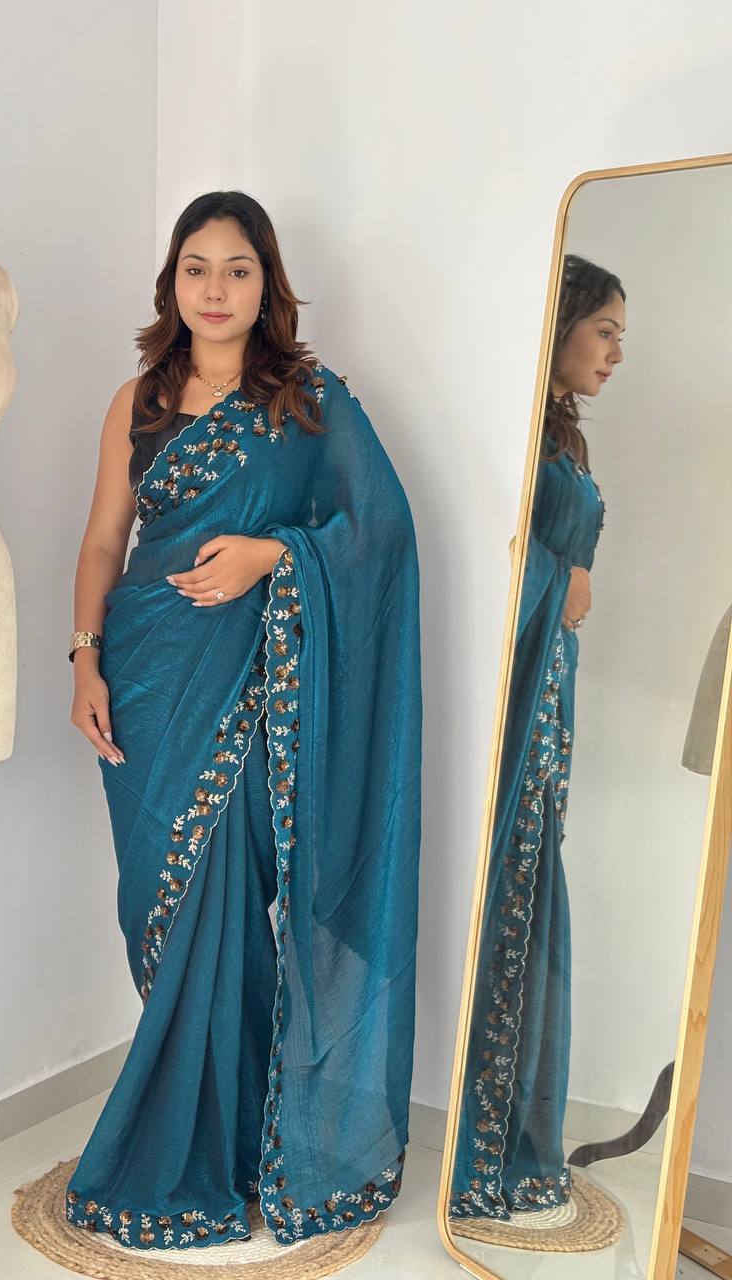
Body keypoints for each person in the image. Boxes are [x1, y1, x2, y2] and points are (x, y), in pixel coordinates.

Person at [65, 191, 421, 1250]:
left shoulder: (308, 401)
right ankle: (220, 1136)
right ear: (170, 283)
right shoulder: (136, 401)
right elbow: (103, 541)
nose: (215, 289)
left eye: (237, 269)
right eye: (196, 268)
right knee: (161, 905)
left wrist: (278, 554)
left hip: (251, 689)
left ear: (269, 284)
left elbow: (381, 530)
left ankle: (218, 1145)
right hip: (144, 676)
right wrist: (84, 658)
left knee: (224, 897)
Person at [450, 255, 624, 1221]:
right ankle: (482, 1148)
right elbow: (492, 555)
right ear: (560, 325)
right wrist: (565, 577)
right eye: (605, 331)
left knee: (531, 885)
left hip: (551, 693)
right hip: (513, 698)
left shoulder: (567, 438)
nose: (616, 354)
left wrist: (569, 580)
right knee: (505, 891)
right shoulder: (518, 425)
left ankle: (515, 1135)